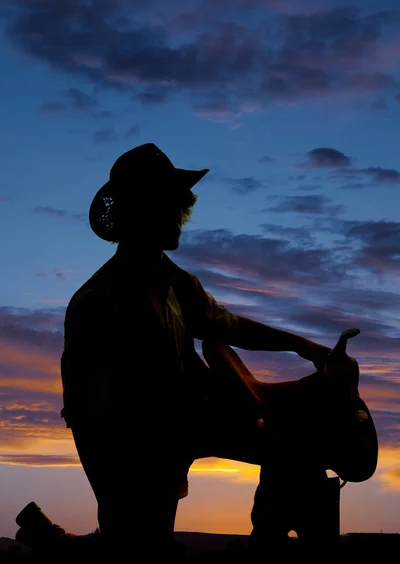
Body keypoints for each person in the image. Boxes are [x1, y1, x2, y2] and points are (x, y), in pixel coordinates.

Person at [60, 143, 333, 558]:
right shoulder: (99, 300)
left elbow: (228, 325)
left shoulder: (178, 283)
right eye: (168, 205)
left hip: (180, 428)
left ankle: (273, 543)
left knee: (296, 448)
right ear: (142, 211)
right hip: (136, 453)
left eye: (179, 205)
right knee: (138, 546)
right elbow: (88, 413)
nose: (179, 218)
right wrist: (112, 495)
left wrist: (302, 345)